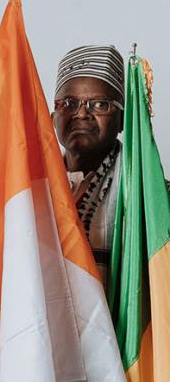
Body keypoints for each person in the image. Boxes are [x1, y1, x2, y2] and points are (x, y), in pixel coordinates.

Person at [52, 44, 127, 285]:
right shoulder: (31, 185)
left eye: (100, 105)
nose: (82, 114)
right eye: (69, 103)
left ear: (122, 119)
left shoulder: (147, 193)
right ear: (54, 115)